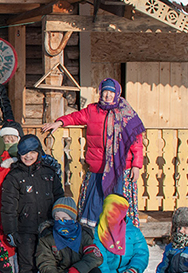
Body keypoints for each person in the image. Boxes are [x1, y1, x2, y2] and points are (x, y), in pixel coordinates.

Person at [41, 78, 145, 228]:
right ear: (100, 93)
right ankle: (94, 240)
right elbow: (75, 117)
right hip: (98, 168)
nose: (108, 95)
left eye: (111, 92)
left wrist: (136, 165)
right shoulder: (92, 110)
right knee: (95, 208)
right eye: (105, 92)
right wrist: (60, 122)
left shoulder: (126, 113)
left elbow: (136, 141)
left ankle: (122, 240)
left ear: (117, 94)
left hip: (121, 170)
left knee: (118, 208)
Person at [0, 134, 64, 273]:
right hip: (25, 228)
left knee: (52, 262)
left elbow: (59, 198)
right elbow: (8, 206)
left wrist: (61, 223)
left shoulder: (49, 173)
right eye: (23, 153)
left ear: (38, 152)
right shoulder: (14, 176)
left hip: (48, 227)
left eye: (31, 152)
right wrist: (11, 230)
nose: (28, 156)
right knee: (27, 263)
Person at [94, 194, 148, 273]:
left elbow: (141, 253)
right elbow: (98, 260)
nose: (111, 214)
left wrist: (134, 268)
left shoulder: (133, 231)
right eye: (108, 210)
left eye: (115, 211)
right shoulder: (98, 232)